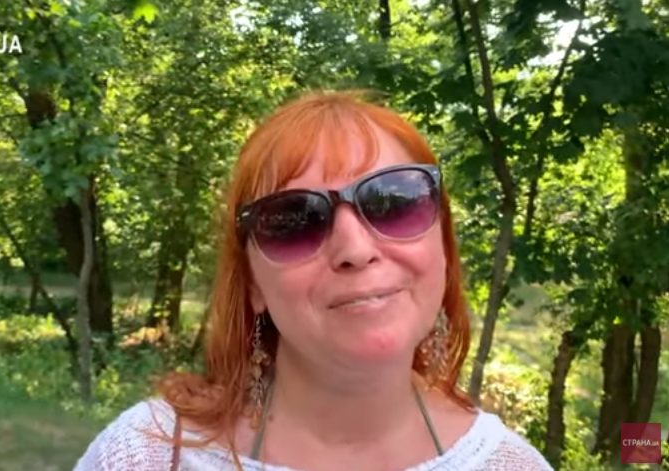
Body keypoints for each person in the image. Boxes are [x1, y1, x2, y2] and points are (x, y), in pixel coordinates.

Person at [72, 90, 554, 471]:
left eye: (394, 202)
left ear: (443, 248)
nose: (355, 250)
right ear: (253, 284)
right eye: (294, 221)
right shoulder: (149, 456)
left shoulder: (513, 465)